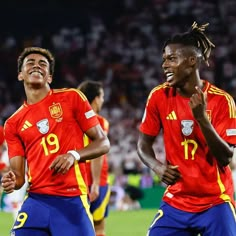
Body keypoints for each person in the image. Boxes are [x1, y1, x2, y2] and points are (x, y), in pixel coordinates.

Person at [137, 22, 236, 236]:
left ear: (191, 62)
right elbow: (143, 144)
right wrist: (157, 166)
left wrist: (202, 119)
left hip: (215, 201)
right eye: (164, 59)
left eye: (172, 58)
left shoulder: (221, 101)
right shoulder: (158, 96)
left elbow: (226, 157)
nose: (164, 65)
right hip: (177, 202)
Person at [1, 47, 110, 236]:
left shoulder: (72, 98)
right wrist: (12, 181)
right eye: (30, 63)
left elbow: (103, 143)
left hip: (72, 198)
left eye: (43, 64)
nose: (37, 66)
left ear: (49, 77)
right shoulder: (13, 124)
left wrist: (74, 155)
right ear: (20, 75)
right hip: (36, 201)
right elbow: (19, 177)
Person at [78, 80, 110, 236]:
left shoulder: (74, 120)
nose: (103, 100)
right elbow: (98, 153)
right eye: (102, 96)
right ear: (96, 98)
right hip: (96, 181)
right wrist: (96, 183)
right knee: (98, 228)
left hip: (77, 181)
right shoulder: (99, 121)